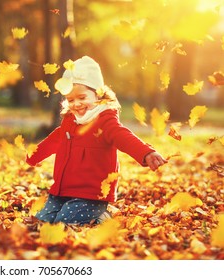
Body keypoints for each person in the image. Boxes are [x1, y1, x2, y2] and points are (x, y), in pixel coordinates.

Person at [26, 55, 167, 225]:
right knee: (42, 223)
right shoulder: (70, 121)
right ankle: (76, 215)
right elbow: (55, 139)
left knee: (64, 224)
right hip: (61, 191)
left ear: (98, 95)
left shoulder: (105, 121)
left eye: (82, 98)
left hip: (91, 195)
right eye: (71, 100)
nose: (76, 104)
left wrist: (145, 153)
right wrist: (34, 155)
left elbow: (123, 137)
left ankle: (101, 217)